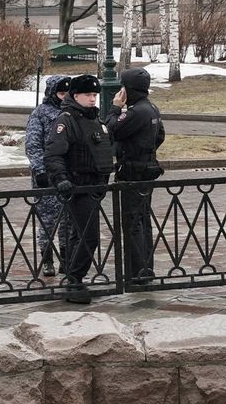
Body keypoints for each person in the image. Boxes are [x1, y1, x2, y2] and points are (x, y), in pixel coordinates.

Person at [45, 74, 114, 304]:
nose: (93, 99)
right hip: (78, 187)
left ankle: (73, 279)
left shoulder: (94, 119)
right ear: (76, 96)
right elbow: (54, 154)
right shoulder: (66, 120)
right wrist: (61, 179)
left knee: (79, 235)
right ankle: (75, 279)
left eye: (95, 95)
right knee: (89, 236)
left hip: (94, 187)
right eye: (88, 95)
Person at [106, 67, 165, 282]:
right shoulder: (151, 108)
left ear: (128, 88)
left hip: (132, 172)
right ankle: (145, 268)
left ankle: (137, 271)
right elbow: (160, 136)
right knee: (143, 221)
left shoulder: (136, 111)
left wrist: (114, 109)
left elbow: (112, 129)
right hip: (146, 169)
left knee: (133, 223)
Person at [24, 74, 71, 277]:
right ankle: (47, 260)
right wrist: (39, 170)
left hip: (68, 175)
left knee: (68, 221)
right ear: (52, 93)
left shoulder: (72, 113)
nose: (64, 97)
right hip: (46, 176)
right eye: (61, 93)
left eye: (67, 93)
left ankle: (67, 258)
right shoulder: (40, 114)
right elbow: (33, 145)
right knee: (47, 221)